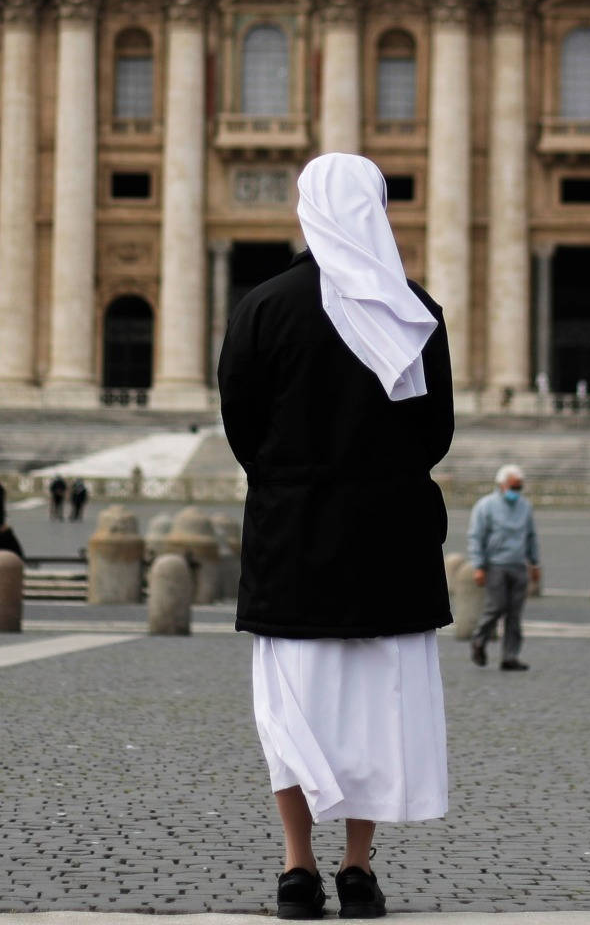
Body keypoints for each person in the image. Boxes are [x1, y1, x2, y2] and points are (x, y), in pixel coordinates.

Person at [220, 152, 453, 922]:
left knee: (293, 716)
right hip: (388, 544)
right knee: (377, 716)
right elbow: (436, 433)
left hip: (293, 541)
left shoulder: (263, 307)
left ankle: (296, 869)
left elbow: (240, 424)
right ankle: (357, 868)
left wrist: (289, 478)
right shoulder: (413, 309)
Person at [467, 464, 540, 672]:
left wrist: (534, 562)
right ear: (502, 485)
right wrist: (479, 565)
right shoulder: (485, 506)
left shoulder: (525, 507)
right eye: (513, 487)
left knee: (515, 615)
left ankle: (510, 655)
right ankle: (479, 640)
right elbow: (476, 537)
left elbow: (531, 536)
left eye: (519, 487)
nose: (516, 492)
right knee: (496, 607)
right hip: (496, 565)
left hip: (518, 565)